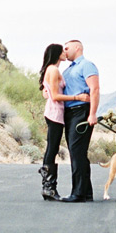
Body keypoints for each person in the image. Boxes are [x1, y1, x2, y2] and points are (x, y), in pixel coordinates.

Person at [38, 43, 90, 201]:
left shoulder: (55, 70)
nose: (65, 53)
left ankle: (49, 188)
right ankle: (48, 188)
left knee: (52, 148)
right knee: (52, 148)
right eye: (63, 50)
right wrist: (77, 97)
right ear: (56, 53)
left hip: (58, 113)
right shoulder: (53, 70)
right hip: (54, 113)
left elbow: (48, 91)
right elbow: (55, 96)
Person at [58, 39, 100, 203]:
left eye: (66, 48)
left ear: (77, 48)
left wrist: (92, 113)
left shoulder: (87, 65)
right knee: (76, 152)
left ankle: (78, 193)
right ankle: (85, 192)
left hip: (81, 111)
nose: (65, 51)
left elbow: (94, 89)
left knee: (77, 152)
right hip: (69, 112)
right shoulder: (68, 70)